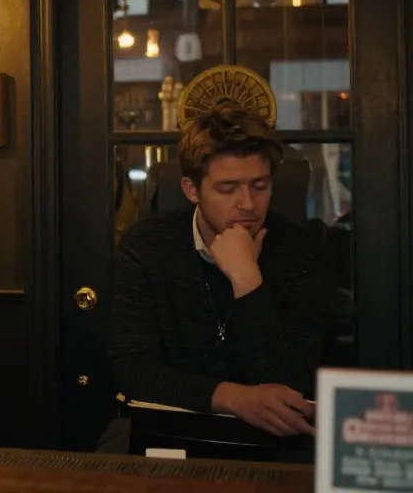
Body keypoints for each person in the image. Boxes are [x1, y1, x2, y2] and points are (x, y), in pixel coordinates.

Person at [108, 104, 332, 439]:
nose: (248, 204)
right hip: (170, 429)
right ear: (191, 190)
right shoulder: (146, 247)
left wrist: (247, 281)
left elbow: (290, 387)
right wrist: (235, 398)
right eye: (228, 189)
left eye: (260, 185)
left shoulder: (302, 252)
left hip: (274, 441)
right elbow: (133, 370)